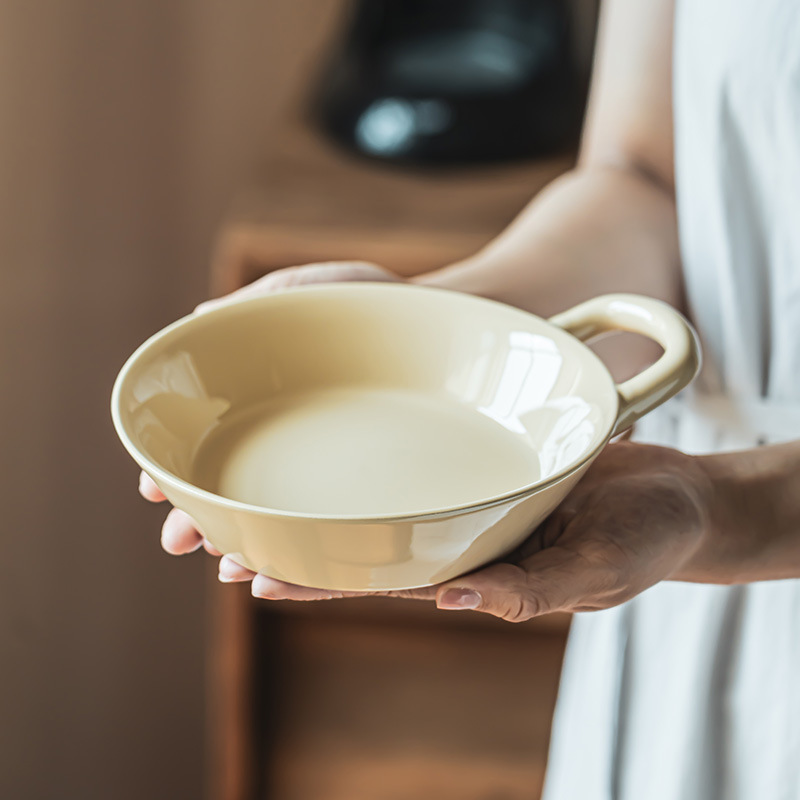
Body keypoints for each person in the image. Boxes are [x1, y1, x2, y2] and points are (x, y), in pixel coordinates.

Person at [139, 0, 800, 795]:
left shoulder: (704, 509)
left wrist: (728, 509)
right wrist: (432, 331)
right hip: (687, 603)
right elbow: (646, 182)